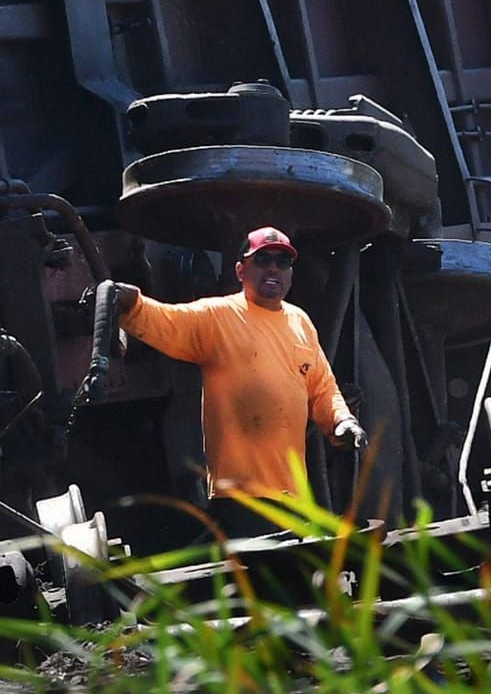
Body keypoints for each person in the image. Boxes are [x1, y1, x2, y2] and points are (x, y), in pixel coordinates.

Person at [115, 226, 366, 538]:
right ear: (240, 270)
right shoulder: (219, 317)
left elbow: (322, 387)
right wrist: (132, 305)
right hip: (242, 497)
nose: (273, 268)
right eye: (262, 260)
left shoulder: (300, 321)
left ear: (290, 273)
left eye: (282, 262)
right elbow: (168, 322)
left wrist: (342, 422)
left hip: (292, 494)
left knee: (290, 580)